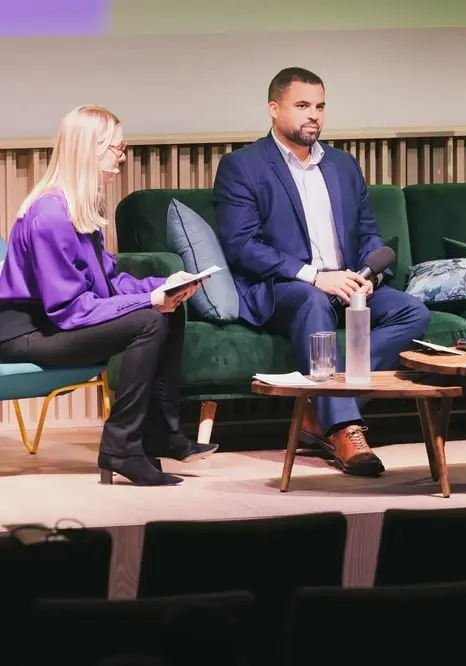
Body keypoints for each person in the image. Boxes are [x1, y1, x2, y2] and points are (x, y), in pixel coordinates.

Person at [213, 67, 429, 477]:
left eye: (320, 106)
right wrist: (313, 275)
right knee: (314, 302)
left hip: (347, 281)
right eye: (302, 105)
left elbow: (368, 232)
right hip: (285, 287)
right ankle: (345, 427)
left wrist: (368, 274)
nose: (314, 115)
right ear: (274, 108)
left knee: (412, 313)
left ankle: (319, 404)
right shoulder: (243, 166)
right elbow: (242, 247)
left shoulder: (343, 166)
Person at [0, 105, 216, 486]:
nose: (122, 156)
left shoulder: (78, 207)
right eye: (117, 148)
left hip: (55, 323)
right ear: (90, 149)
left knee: (169, 308)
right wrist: (148, 303)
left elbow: (109, 281)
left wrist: (164, 287)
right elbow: (68, 309)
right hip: (25, 334)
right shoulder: (49, 215)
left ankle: (159, 433)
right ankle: (121, 447)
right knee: (149, 318)